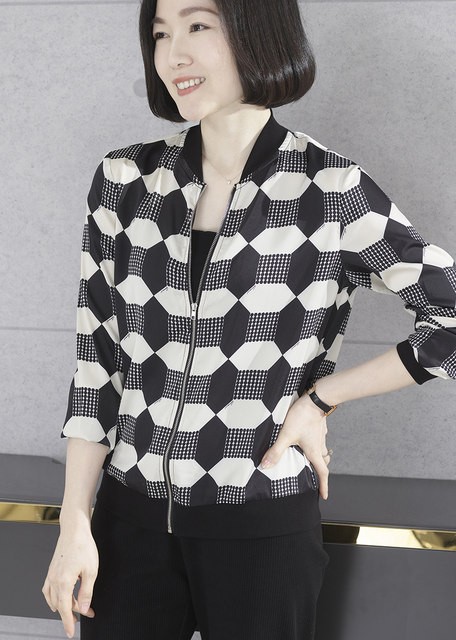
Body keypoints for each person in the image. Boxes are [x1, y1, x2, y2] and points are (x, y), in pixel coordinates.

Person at [41, 0, 456, 638]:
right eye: (160, 33)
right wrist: (75, 521)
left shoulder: (329, 190)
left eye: (198, 25)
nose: (173, 54)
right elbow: (96, 361)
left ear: (256, 32)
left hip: (261, 528)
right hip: (127, 525)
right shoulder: (125, 182)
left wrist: (322, 399)